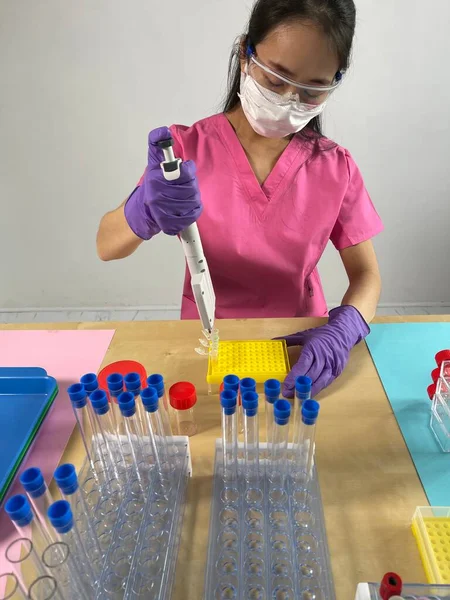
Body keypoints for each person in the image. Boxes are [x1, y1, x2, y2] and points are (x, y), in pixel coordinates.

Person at [97, 0, 383, 398]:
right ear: (245, 54)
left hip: (299, 347)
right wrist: (144, 206)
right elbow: (106, 246)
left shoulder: (335, 167)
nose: (288, 100)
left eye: (311, 89)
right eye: (276, 78)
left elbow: (367, 274)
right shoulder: (185, 150)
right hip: (208, 341)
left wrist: (345, 327)